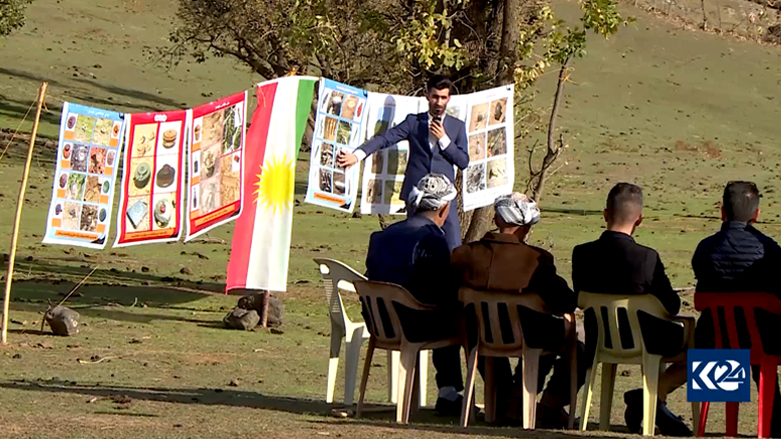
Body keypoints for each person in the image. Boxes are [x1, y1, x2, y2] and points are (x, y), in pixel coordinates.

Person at [451, 193, 587, 427]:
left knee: (487, 330)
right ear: (526, 226)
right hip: (530, 337)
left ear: (495, 219)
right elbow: (566, 302)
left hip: (479, 338)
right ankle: (545, 404)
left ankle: (509, 402)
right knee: (569, 334)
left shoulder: (464, 255)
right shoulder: (536, 260)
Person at [572, 183, 691, 436]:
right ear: (639, 219)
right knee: (704, 343)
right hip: (648, 341)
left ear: (605, 215)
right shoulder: (646, 258)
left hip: (599, 340)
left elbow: (580, 297)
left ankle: (650, 398)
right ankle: (656, 395)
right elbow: (672, 305)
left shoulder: (581, 254)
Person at [364, 173, 465, 415]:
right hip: (412, 325)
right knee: (457, 315)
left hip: (378, 324)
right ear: (444, 209)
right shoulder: (432, 240)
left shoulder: (381, 236)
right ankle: (450, 393)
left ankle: (450, 392)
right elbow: (444, 289)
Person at [337, 75, 469, 250]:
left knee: (452, 247)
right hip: (416, 196)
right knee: (413, 245)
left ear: (448, 99)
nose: (439, 102)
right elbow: (385, 139)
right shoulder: (413, 122)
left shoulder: (457, 126)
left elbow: (463, 161)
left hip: (445, 199)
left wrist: (444, 140)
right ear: (427, 96)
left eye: (443, 98)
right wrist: (357, 155)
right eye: (435, 96)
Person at [692, 181, 781, 437]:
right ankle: (774, 422)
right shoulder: (770, 250)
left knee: (726, 327)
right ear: (756, 214)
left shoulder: (704, 249)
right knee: (756, 331)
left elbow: (701, 297)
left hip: (715, 345)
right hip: (764, 341)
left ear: (722, 211)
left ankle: (715, 423)